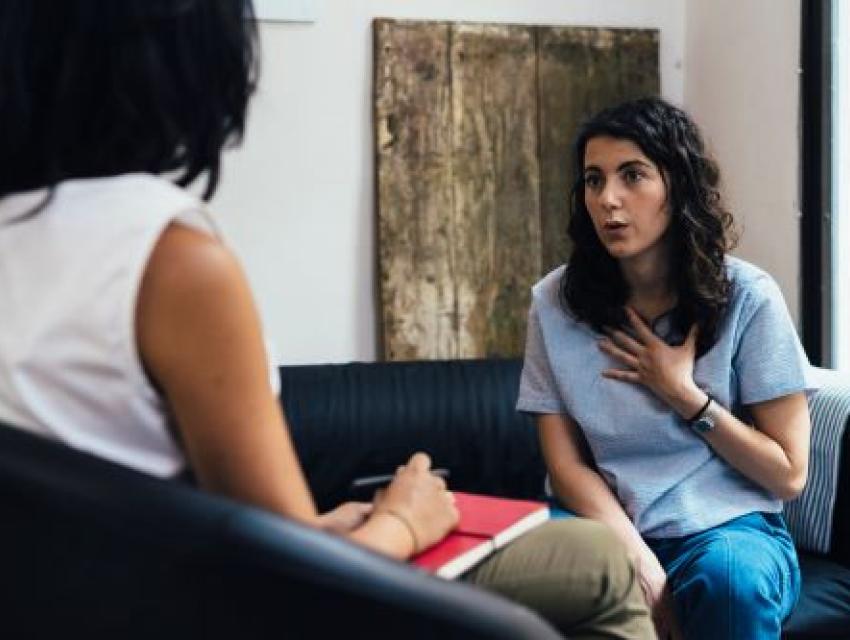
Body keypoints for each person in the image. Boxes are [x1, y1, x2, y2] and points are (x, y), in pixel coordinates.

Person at [0, 2, 656, 637]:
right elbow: (287, 585)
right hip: (191, 609)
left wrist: (318, 528)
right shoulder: (169, 261)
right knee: (597, 562)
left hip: (83, 604)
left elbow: (197, 517)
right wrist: (404, 520)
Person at [517, 96, 816, 640]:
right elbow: (566, 466)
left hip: (728, 530)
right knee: (515, 582)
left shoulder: (749, 297)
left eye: (633, 175)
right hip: (601, 524)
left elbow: (789, 474)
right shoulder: (554, 303)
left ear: (677, 186)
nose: (608, 199)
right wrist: (633, 554)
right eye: (593, 179)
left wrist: (684, 395)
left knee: (730, 582)